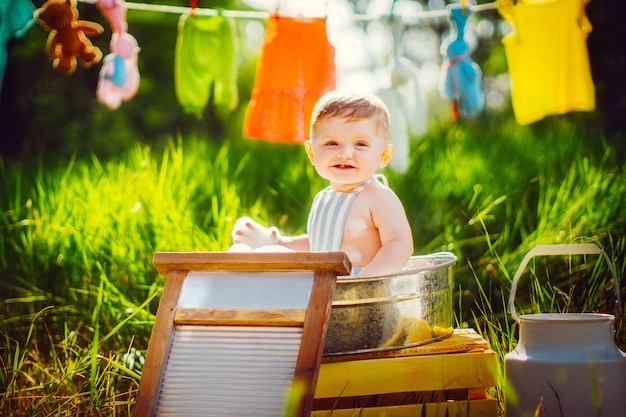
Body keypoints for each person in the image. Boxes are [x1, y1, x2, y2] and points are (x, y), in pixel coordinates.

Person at [232, 90, 414, 276]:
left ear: (383, 156)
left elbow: (399, 244)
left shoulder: (378, 197)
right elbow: (317, 245)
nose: (345, 153)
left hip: (366, 294)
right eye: (332, 143)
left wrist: (366, 280)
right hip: (323, 291)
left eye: (360, 144)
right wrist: (278, 243)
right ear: (312, 153)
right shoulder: (323, 198)